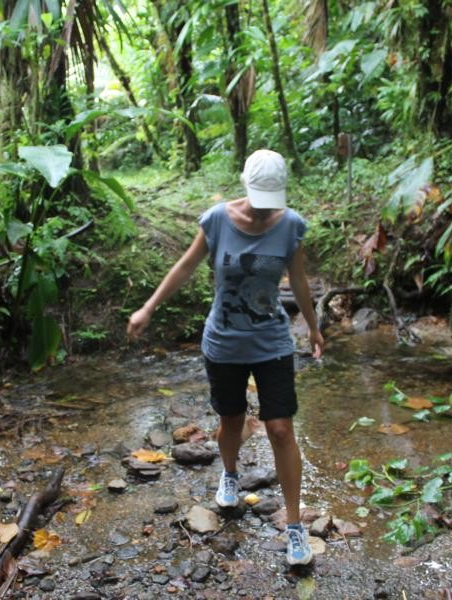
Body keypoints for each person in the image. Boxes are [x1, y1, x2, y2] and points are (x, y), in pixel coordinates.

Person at [127, 149, 324, 566]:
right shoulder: (217, 220)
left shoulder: (291, 226)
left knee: (281, 429)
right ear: (245, 184)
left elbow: (299, 281)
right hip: (224, 341)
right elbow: (184, 267)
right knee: (231, 420)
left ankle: (294, 525)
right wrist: (148, 308)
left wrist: (313, 326)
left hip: (272, 341)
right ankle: (230, 474)